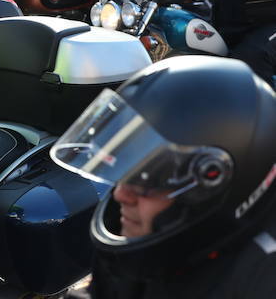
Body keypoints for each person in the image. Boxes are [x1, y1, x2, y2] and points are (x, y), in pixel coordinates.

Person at [52, 55, 276, 299]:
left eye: (149, 181)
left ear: (214, 181)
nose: (121, 194)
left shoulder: (258, 281)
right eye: (126, 171)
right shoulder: (135, 243)